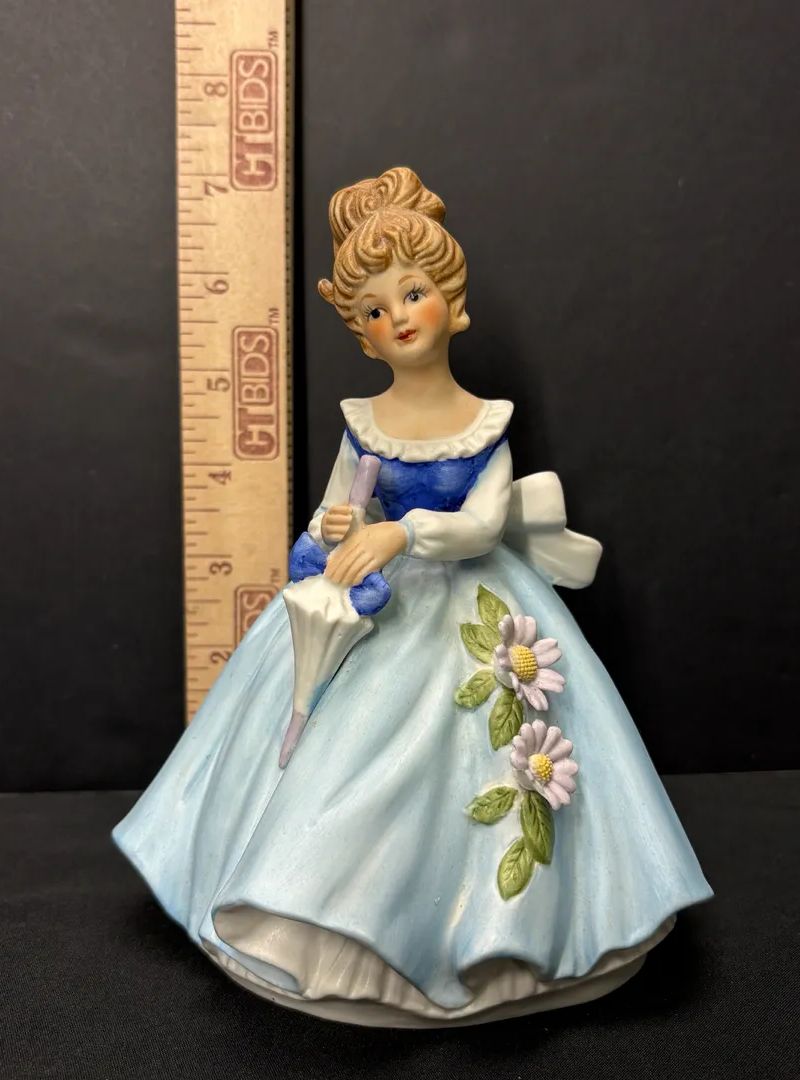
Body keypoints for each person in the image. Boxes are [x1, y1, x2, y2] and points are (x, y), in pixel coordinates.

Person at [114, 167, 712, 1027]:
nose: (397, 316)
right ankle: (309, 912)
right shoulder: (364, 423)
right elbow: (339, 507)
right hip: (372, 600)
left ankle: (492, 937)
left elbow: (482, 526)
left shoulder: (485, 422)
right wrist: (337, 524)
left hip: (467, 602)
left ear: (452, 305)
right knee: (330, 751)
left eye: (414, 293)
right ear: (363, 335)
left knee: (470, 759)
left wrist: (403, 534)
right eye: (373, 309)